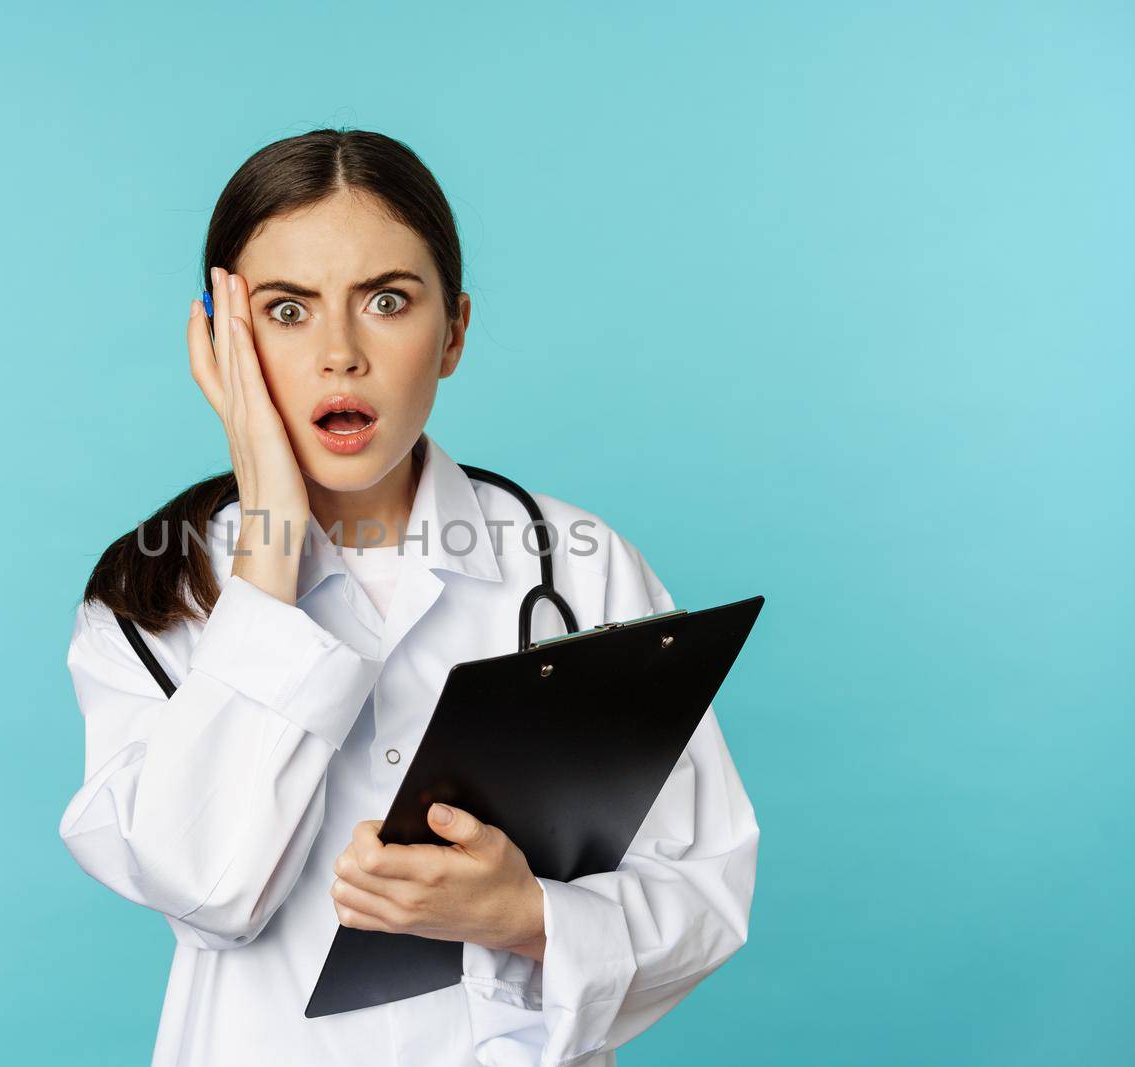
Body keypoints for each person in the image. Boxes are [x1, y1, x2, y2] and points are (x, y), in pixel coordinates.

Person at [58, 128, 759, 1067]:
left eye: (386, 301)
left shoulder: (581, 566)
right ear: (224, 340)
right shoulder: (155, 599)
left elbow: (706, 886)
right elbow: (203, 885)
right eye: (287, 310)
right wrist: (269, 524)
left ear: (455, 331)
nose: (340, 354)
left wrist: (529, 916)